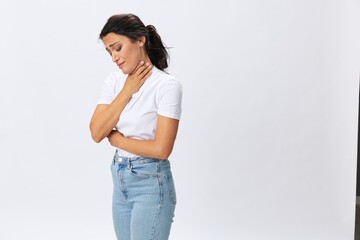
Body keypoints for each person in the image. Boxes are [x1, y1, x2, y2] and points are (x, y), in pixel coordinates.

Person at [89, 13, 182, 240]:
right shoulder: (115, 81)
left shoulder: (167, 86)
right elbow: (96, 132)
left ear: (140, 40)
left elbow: (161, 149)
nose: (114, 57)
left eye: (117, 48)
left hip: (151, 183)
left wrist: (117, 140)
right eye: (109, 51)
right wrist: (128, 90)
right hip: (120, 179)